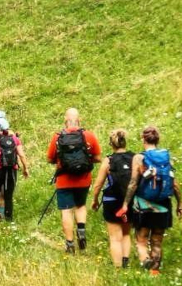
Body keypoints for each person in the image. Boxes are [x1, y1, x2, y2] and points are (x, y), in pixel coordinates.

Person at [117, 126, 182, 274]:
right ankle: (155, 272)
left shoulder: (139, 158)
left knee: (141, 239)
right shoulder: (166, 157)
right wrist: (179, 203)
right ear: (157, 140)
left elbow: (133, 183)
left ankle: (145, 259)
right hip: (163, 204)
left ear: (143, 139)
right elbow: (174, 183)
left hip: (143, 205)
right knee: (157, 240)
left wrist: (125, 203)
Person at [47, 108, 102, 253]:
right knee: (80, 205)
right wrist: (84, 161)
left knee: (66, 211)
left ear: (65, 120)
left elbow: (50, 158)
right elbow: (98, 158)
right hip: (83, 180)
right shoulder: (89, 135)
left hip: (64, 181)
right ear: (79, 120)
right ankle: (81, 230)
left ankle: (70, 244)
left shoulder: (57, 137)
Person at [91, 129, 135, 268]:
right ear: (125, 142)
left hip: (111, 201)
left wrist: (95, 200)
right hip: (128, 200)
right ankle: (125, 262)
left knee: (115, 238)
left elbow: (98, 184)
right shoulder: (134, 158)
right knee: (126, 233)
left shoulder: (108, 160)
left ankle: (117, 268)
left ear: (112, 144)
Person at [0, 118, 29, 221]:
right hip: (11, 169)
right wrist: (25, 168)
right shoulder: (14, 139)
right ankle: (8, 218)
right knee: (8, 195)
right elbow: (21, 154)